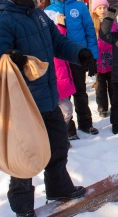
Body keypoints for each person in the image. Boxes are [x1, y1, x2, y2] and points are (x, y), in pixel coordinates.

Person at [0, 0, 93, 217]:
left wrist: (81, 53)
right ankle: (22, 207)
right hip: (24, 105)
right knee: (25, 156)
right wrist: (13, 59)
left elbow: (57, 42)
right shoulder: (1, 22)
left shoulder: (37, 14)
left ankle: (58, 188)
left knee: (58, 146)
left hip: (48, 99)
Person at [45, 0, 99, 136]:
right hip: (59, 60)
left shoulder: (80, 7)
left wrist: (92, 56)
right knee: (63, 94)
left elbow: (89, 31)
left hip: (77, 56)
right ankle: (68, 128)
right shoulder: (48, 11)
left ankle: (86, 123)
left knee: (80, 91)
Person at [45, 11, 78, 140]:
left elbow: (60, 39)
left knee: (66, 110)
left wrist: (61, 26)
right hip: (54, 85)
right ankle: (57, 136)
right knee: (62, 111)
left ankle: (62, 135)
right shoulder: (45, 44)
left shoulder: (58, 43)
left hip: (63, 83)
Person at [90, 0, 118, 118]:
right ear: (94, 10)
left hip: (111, 58)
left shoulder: (112, 22)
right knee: (100, 86)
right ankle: (102, 107)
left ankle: (115, 104)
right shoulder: (92, 24)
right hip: (99, 59)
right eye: (99, 8)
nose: (102, 10)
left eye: (104, 7)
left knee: (113, 84)